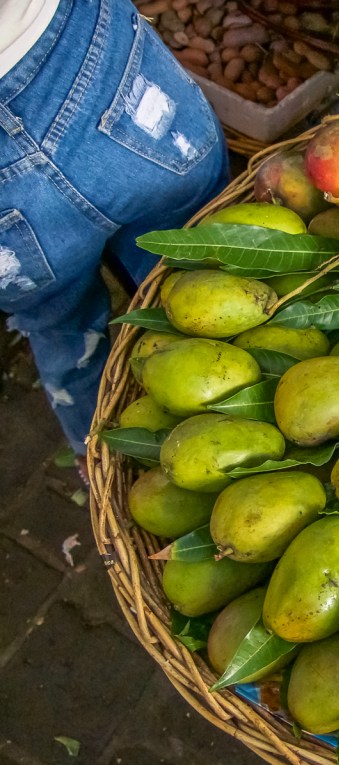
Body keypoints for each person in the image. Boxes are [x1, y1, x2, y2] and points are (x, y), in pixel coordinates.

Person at [0, 0, 230, 476]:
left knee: (60, 326)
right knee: (208, 258)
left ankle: (103, 461)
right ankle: (209, 414)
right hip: (75, 51)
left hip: (69, 56)